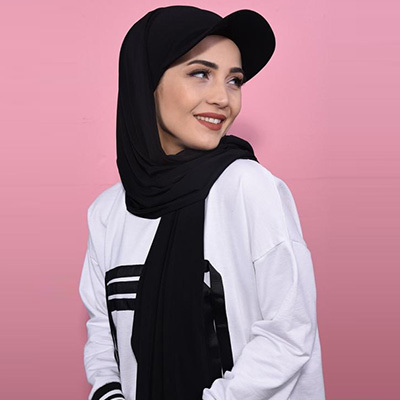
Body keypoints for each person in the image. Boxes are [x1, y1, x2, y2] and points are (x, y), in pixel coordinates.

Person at [79, 5, 326, 400]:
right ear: (147, 82)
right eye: (200, 73)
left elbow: (288, 334)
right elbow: (102, 330)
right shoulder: (108, 212)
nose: (223, 98)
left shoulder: (248, 187)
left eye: (234, 80)